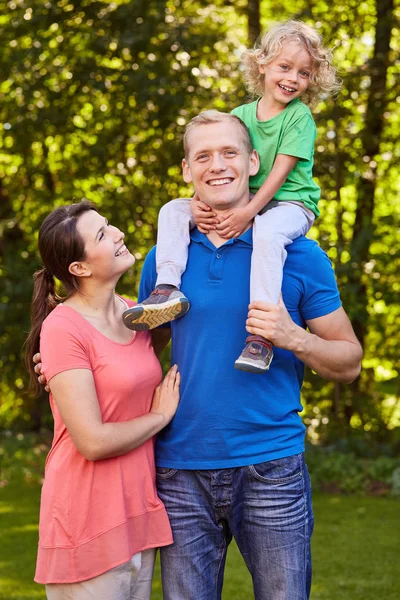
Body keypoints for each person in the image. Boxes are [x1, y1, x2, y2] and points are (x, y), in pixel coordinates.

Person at [136, 111, 362, 599]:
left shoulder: (299, 253)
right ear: (186, 170)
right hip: (179, 470)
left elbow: (349, 361)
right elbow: (135, 350)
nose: (217, 165)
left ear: (253, 161)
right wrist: (69, 359)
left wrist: (293, 336)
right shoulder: (165, 258)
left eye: (229, 153)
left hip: (271, 470)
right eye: (203, 156)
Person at [123, 20, 341, 374]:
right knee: (172, 210)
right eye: (284, 67)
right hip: (256, 203)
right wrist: (196, 202)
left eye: (303, 73)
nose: (292, 78)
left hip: (291, 204)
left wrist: (249, 212)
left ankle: (260, 337)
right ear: (263, 66)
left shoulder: (299, 117)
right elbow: (218, 163)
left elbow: (279, 173)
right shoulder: (240, 116)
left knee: (268, 234)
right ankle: (167, 288)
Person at [25, 201, 180, 599]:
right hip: (87, 518)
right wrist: (159, 416)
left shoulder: (135, 313)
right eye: (101, 234)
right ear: (79, 268)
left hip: (135, 513)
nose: (118, 234)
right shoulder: (63, 327)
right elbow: (91, 441)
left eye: (109, 224)